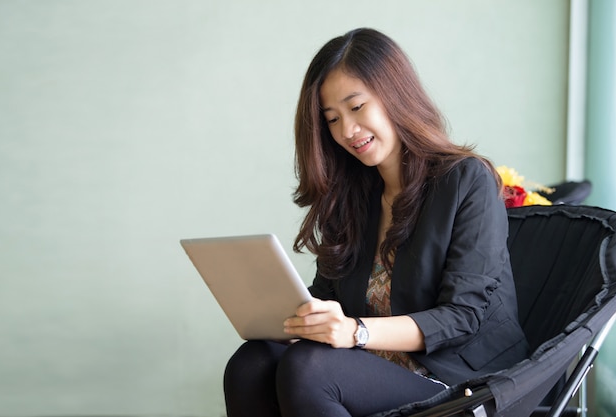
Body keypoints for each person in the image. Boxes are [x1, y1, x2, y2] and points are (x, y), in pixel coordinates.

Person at [223, 28, 529, 417]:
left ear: (394, 94)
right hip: (375, 369)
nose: (346, 131)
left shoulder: (466, 181)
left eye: (356, 107)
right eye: (332, 119)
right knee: (251, 364)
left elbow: (462, 317)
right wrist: (304, 318)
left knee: (310, 370)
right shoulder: (353, 195)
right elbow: (329, 295)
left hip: (459, 380)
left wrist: (355, 331)